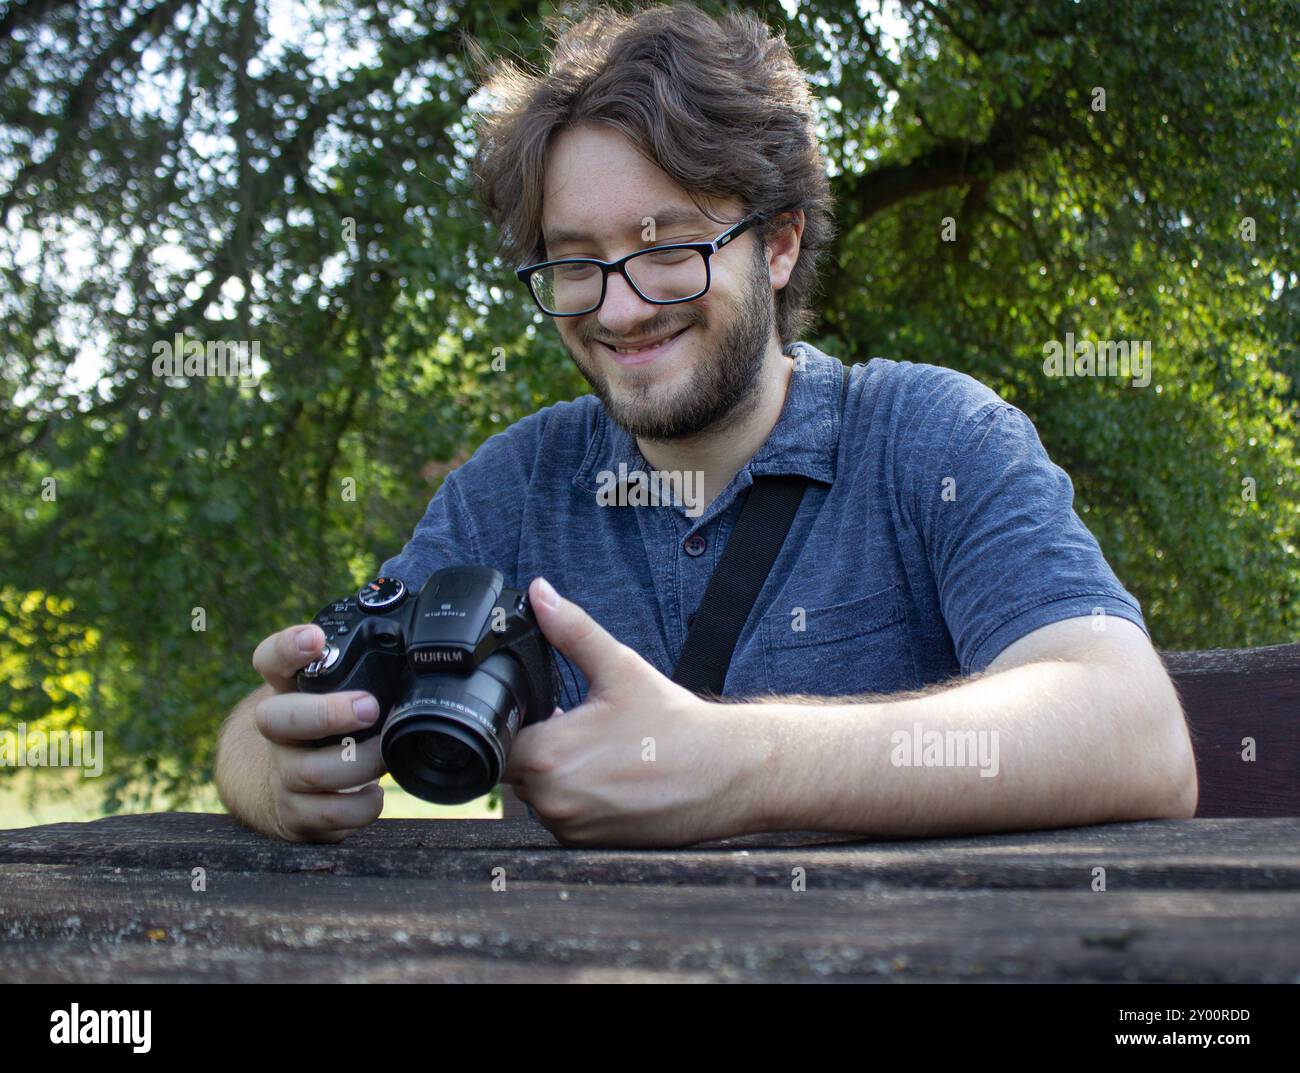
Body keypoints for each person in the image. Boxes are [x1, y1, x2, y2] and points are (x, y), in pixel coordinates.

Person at [214, 2, 1197, 846]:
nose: (617, 308)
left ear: (776, 242)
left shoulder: (931, 437)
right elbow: (260, 728)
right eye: (574, 263)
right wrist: (277, 766)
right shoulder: (510, 490)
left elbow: (1134, 732)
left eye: (669, 248)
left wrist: (735, 764)